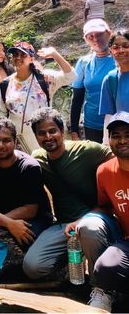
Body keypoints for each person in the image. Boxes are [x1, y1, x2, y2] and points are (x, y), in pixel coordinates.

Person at [23, 107, 116, 310]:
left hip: (98, 219)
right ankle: (69, 270)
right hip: (65, 226)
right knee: (33, 266)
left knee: (89, 229)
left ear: (62, 130)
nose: (48, 137)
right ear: (36, 136)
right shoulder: (38, 157)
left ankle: (103, 289)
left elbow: (119, 163)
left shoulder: (89, 151)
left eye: (52, 130)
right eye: (41, 133)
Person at [0, 117, 52, 273]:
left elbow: (31, 209)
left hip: (31, 216)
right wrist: (8, 223)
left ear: (15, 142)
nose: (0, 145)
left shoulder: (29, 167)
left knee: (29, 243)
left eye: (6, 140)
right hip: (4, 212)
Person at [0, 41, 76, 153]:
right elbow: (3, 113)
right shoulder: (6, 84)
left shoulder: (44, 78)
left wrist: (55, 54)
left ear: (31, 58)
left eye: (23, 55)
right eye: (15, 54)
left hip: (42, 138)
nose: (18, 58)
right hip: (15, 141)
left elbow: (71, 76)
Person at [91, 112, 129, 311]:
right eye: (116, 135)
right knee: (104, 269)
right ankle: (107, 293)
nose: (122, 140)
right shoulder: (104, 171)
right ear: (109, 140)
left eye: (128, 134)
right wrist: (82, 219)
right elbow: (104, 205)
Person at [70, 19, 115, 143]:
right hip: (92, 125)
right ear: (85, 39)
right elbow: (77, 98)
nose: (95, 39)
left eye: (99, 34)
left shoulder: (121, 59)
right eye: (90, 36)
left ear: (109, 33)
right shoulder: (84, 63)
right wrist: (74, 130)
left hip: (119, 123)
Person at [100, 30, 129, 130]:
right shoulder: (110, 79)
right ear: (111, 51)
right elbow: (109, 117)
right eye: (116, 47)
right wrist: (106, 143)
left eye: (126, 46)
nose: (121, 51)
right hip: (124, 139)